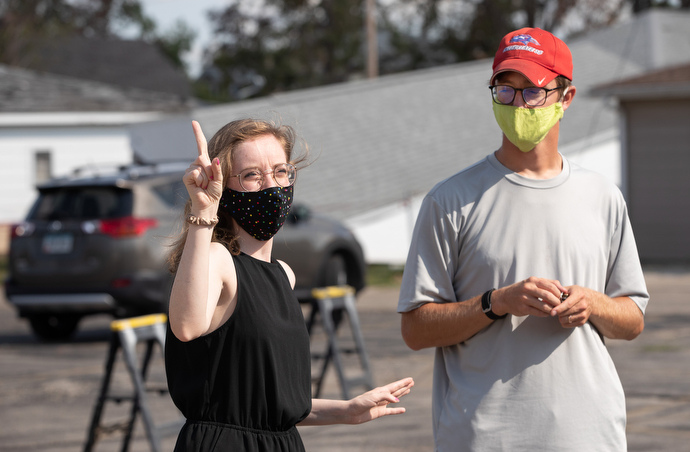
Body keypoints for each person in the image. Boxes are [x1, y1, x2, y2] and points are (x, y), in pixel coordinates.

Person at [397, 28, 648, 452]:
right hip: (483, 438)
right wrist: (496, 302)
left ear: (565, 98)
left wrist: (593, 303)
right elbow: (416, 329)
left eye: (531, 91)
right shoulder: (450, 200)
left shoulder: (603, 196)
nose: (517, 105)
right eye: (504, 90)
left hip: (589, 435)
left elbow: (632, 319)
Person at [165, 118, 414, 452]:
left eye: (280, 171)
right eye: (252, 175)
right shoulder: (218, 258)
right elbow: (186, 325)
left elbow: (270, 403)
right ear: (224, 186)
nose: (271, 185)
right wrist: (203, 214)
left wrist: (346, 410)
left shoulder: (283, 273)